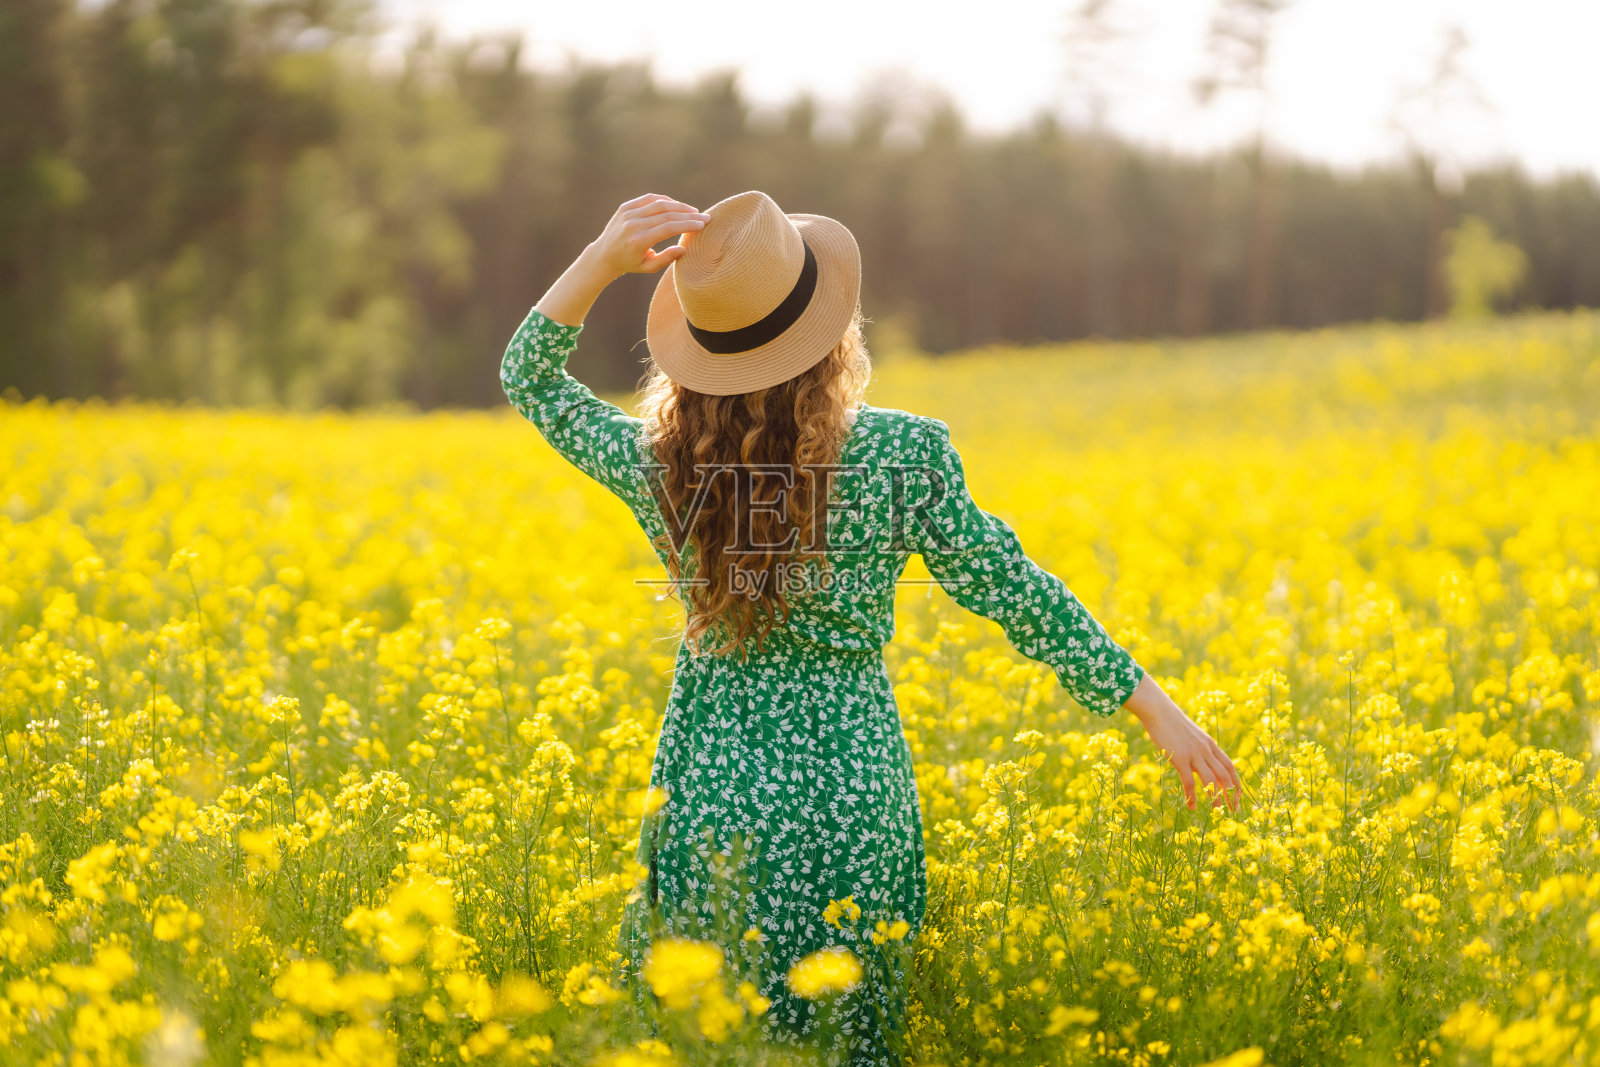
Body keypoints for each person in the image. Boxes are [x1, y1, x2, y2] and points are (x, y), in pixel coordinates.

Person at [501, 191, 1242, 1064]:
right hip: (853, 792)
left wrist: (600, 258)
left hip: (714, 792)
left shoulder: (662, 462)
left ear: (701, 349)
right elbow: (1015, 588)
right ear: (831, 331)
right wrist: (1157, 708)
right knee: (847, 1041)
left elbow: (530, 379)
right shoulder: (903, 457)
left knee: (715, 1038)